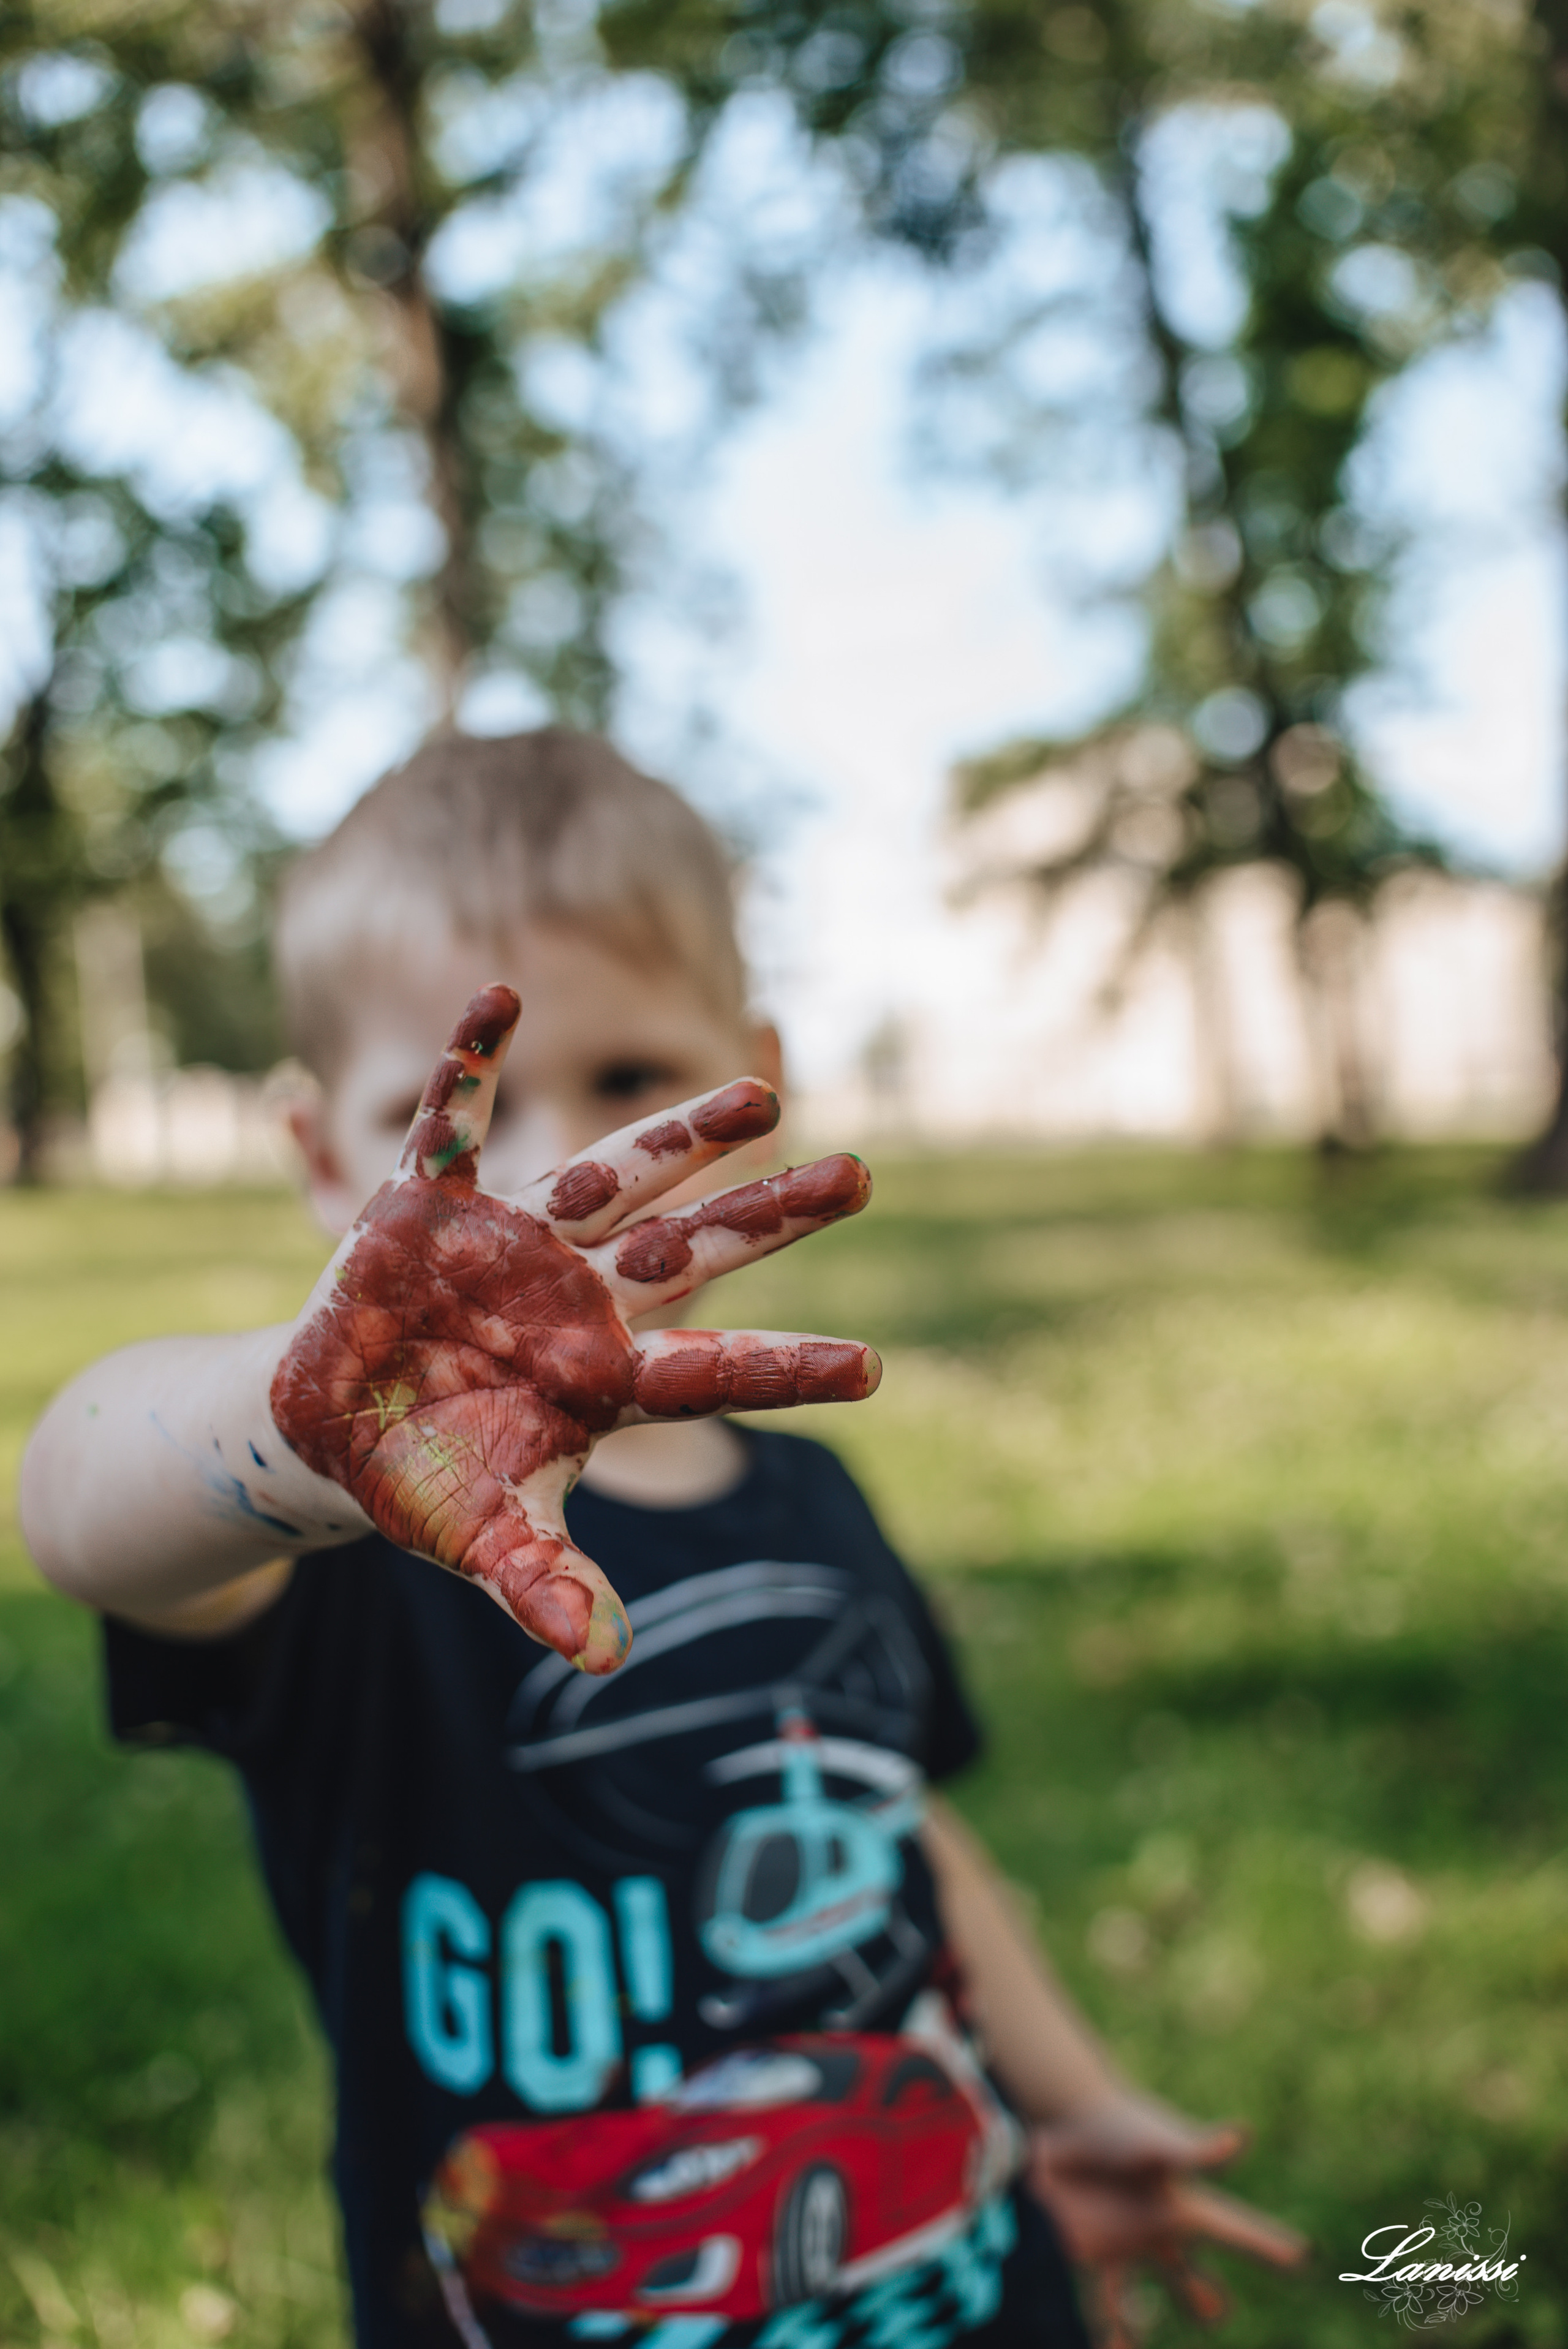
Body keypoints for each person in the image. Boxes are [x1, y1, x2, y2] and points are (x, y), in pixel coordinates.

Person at [21, 730, 1303, 2349]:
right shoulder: (333, 1540)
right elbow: (73, 1507)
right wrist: (295, 1431)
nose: (549, 1169)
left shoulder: (815, 1501)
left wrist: (1077, 2101)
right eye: (452, 1106)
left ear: (751, 1077)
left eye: (631, 1078)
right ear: (325, 1157)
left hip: (949, 2285)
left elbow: (899, 1826)